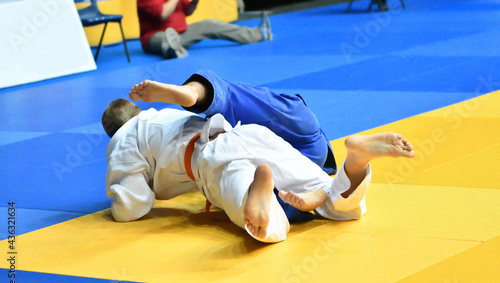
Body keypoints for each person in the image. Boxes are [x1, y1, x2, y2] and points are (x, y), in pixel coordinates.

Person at [102, 100, 415, 243]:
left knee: (265, 228)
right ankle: (356, 161)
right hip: (248, 135)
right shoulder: (162, 115)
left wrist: (115, 207)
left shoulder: (123, 142)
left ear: (114, 132)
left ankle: (258, 195)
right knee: (343, 206)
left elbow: (132, 205)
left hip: (214, 161)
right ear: (138, 111)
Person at [128, 69, 337, 222]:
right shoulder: (161, 126)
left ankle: (303, 201)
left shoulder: (139, 143)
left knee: (252, 190)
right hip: (308, 148)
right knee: (230, 97)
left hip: (253, 150)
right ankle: (195, 91)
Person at [137, 0, 272, 59]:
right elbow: (163, 13)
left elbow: (188, 11)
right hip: (154, 36)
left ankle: (257, 34)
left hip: (181, 32)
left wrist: (194, 2)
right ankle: (171, 47)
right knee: (165, 38)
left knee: (209, 24)